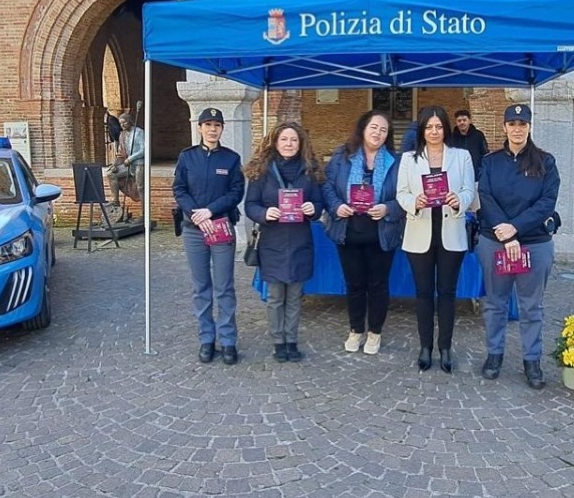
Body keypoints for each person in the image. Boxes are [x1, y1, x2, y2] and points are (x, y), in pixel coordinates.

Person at [474, 103, 559, 388]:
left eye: (522, 124)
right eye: (512, 124)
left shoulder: (546, 162)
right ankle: (494, 354)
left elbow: (547, 202)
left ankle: (531, 360)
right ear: (504, 127)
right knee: (495, 303)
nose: (517, 129)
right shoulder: (490, 161)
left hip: (534, 243)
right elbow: (485, 196)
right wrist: (506, 234)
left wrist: (516, 228)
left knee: (531, 307)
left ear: (529, 127)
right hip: (495, 242)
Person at [396, 106, 476, 373]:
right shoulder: (409, 158)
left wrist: (458, 202)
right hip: (419, 230)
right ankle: (425, 347)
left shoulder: (461, 157)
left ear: (445, 129)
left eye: (438, 126)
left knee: (447, 293)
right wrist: (414, 203)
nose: (434, 131)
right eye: (429, 127)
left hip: (451, 231)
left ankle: (445, 347)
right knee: (422, 294)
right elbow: (401, 193)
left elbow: (469, 191)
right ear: (422, 130)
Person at [323, 110, 405, 356]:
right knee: (354, 284)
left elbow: (406, 195)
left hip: (381, 233)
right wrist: (337, 206)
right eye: (374, 127)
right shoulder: (342, 156)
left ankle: (375, 332)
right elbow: (326, 185)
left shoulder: (396, 161)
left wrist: (388, 208)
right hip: (348, 232)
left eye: (383, 129)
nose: (378, 133)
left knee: (378, 285)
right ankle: (356, 329)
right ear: (362, 128)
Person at [243, 122, 325, 363]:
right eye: (284, 140)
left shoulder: (310, 171)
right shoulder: (262, 170)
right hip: (273, 241)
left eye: (294, 140)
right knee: (276, 297)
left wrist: (313, 208)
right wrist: (264, 214)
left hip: (300, 241)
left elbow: (319, 205)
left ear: (301, 144)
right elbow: (250, 205)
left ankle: (292, 340)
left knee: (296, 296)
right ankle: (278, 341)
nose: (289, 144)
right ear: (275, 142)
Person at [173, 108, 245, 365]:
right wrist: (195, 214)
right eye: (208, 124)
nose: (213, 129)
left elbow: (236, 192)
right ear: (200, 128)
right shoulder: (187, 157)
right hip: (194, 230)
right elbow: (179, 189)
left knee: (224, 286)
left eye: (217, 125)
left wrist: (210, 211)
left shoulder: (231, 159)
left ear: (222, 129)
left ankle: (228, 341)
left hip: (221, 227)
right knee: (201, 286)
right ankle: (206, 338)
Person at [105, 113, 145, 207]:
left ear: (130, 122)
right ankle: (115, 200)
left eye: (124, 122)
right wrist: (115, 165)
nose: (122, 125)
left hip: (139, 164)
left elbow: (144, 149)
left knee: (140, 187)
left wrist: (131, 159)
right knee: (111, 174)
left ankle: (143, 213)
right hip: (128, 165)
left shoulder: (139, 132)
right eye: (120, 123)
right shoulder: (122, 135)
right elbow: (120, 153)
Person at [450, 109, 490, 180]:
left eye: (464, 120)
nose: (462, 123)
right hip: (458, 177)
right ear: (455, 122)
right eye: (459, 121)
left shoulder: (478, 135)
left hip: (477, 176)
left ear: (469, 121)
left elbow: (485, 153)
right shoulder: (451, 137)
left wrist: (482, 171)